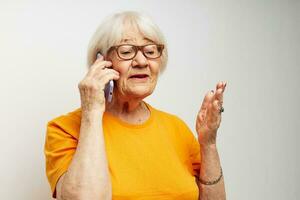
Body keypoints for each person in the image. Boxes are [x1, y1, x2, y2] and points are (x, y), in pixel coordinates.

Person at [44, 11, 227, 200]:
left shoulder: (177, 128)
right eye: (126, 51)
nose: (141, 61)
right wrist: (91, 111)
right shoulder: (64, 129)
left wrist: (209, 144)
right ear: (101, 62)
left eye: (150, 51)